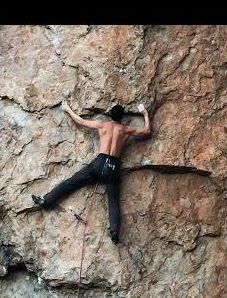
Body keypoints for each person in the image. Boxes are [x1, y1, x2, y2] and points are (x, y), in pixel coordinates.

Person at [32, 101, 151, 244]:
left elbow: (80, 121)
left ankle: (47, 200)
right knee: (113, 201)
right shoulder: (125, 129)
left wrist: (68, 109)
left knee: (72, 182)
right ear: (122, 117)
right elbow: (146, 131)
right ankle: (114, 231)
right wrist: (145, 113)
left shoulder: (102, 125)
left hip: (99, 164)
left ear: (111, 116)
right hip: (113, 167)